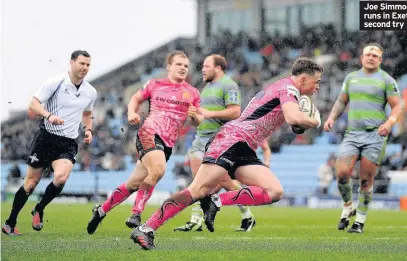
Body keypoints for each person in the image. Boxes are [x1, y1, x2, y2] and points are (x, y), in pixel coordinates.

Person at [130, 57, 323, 250]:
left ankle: (217, 200)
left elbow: (294, 123)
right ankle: (146, 229)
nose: (318, 87)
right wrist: (314, 121)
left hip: (245, 146)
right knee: (197, 190)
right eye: (317, 82)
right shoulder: (288, 89)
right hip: (231, 140)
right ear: (304, 79)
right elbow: (292, 117)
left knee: (274, 191)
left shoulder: (289, 91)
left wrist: (302, 122)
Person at [86, 50, 203, 234]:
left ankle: (100, 211)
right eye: (179, 64)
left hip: (167, 144)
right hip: (149, 133)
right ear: (169, 67)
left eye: (186, 66)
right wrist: (132, 112)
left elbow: (198, 120)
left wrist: (195, 117)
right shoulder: (154, 84)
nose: (183, 68)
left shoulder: (192, 93)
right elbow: (135, 98)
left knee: (132, 184)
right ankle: (136, 214)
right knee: (158, 170)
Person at [2, 50, 97, 236]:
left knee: (61, 177)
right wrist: (49, 115)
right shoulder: (56, 82)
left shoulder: (90, 91)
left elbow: (87, 113)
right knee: (30, 184)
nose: (85, 68)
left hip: (68, 142)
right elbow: (34, 103)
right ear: (71, 63)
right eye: (82, 63)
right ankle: (10, 222)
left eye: (88, 64)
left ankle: (39, 208)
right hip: (46, 139)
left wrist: (88, 129)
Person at [324, 43, 403, 233]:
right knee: (342, 173)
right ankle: (347, 206)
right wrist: (331, 117)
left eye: (375, 55)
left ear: (380, 60)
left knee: (366, 180)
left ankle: (359, 222)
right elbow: (342, 101)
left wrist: (389, 123)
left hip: (374, 135)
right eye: (368, 54)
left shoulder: (386, 80)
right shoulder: (351, 78)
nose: (371, 57)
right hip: (352, 134)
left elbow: (397, 106)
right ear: (361, 57)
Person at [173, 54, 256, 233]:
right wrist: (194, 116)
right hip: (200, 138)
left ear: (218, 68)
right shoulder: (205, 88)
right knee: (198, 182)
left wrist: (208, 114)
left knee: (223, 182)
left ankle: (247, 215)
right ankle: (196, 219)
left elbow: (235, 112)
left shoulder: (229, 85)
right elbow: (200, 117)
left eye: (206, 66)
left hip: (220, 140)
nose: (202, 69)